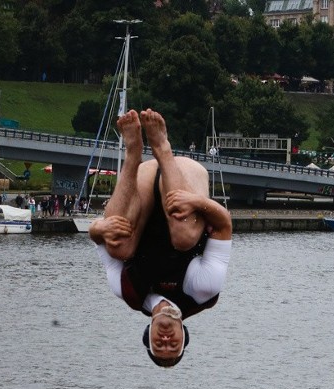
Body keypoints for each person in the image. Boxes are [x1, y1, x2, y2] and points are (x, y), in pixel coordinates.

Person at [89, 109, 232, 367]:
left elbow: (97, 235)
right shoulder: (203, 290)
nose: (166, 340)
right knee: (185, 238)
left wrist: (100, 229)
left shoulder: (129, 291)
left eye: (159, 344)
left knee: (118, 247)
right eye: (173, 345)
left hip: (141, 187)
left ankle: (133, 152)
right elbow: (224, 226)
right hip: (184, 176)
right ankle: (162, 146)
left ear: (149, 334)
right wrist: (198, 201)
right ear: (183, 335)